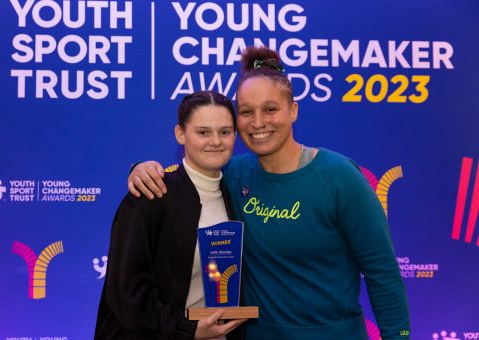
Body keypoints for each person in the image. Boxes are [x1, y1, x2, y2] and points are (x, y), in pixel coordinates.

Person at [127, 47, 410, 339]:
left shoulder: (340, 177)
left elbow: (383, 273)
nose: (258, 122)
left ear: (294, 110)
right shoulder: (234, 174)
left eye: (270, 109)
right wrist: (140, 168)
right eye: (247, 112)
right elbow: (188, 174)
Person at [95, 91, 247, 339]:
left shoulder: (238, 195)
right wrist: (188, 330)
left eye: (225, 131)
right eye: (203, 132)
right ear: (180, 134)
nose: (215, 141)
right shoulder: (151, 195)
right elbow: (126, 295)